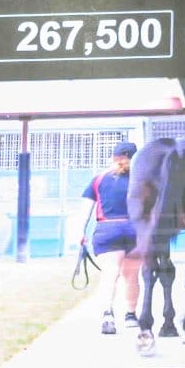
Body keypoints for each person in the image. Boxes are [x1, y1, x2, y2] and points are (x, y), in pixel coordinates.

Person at [80, 142, 144, 342]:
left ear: (113, 157)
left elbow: (85, 211)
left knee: (110, 275)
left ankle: (107, 315)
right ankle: (131, 315)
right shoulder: (142, 180)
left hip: (107, 229)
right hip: (135, 230)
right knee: (131, 276)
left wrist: (81, 234)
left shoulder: (98, 179)